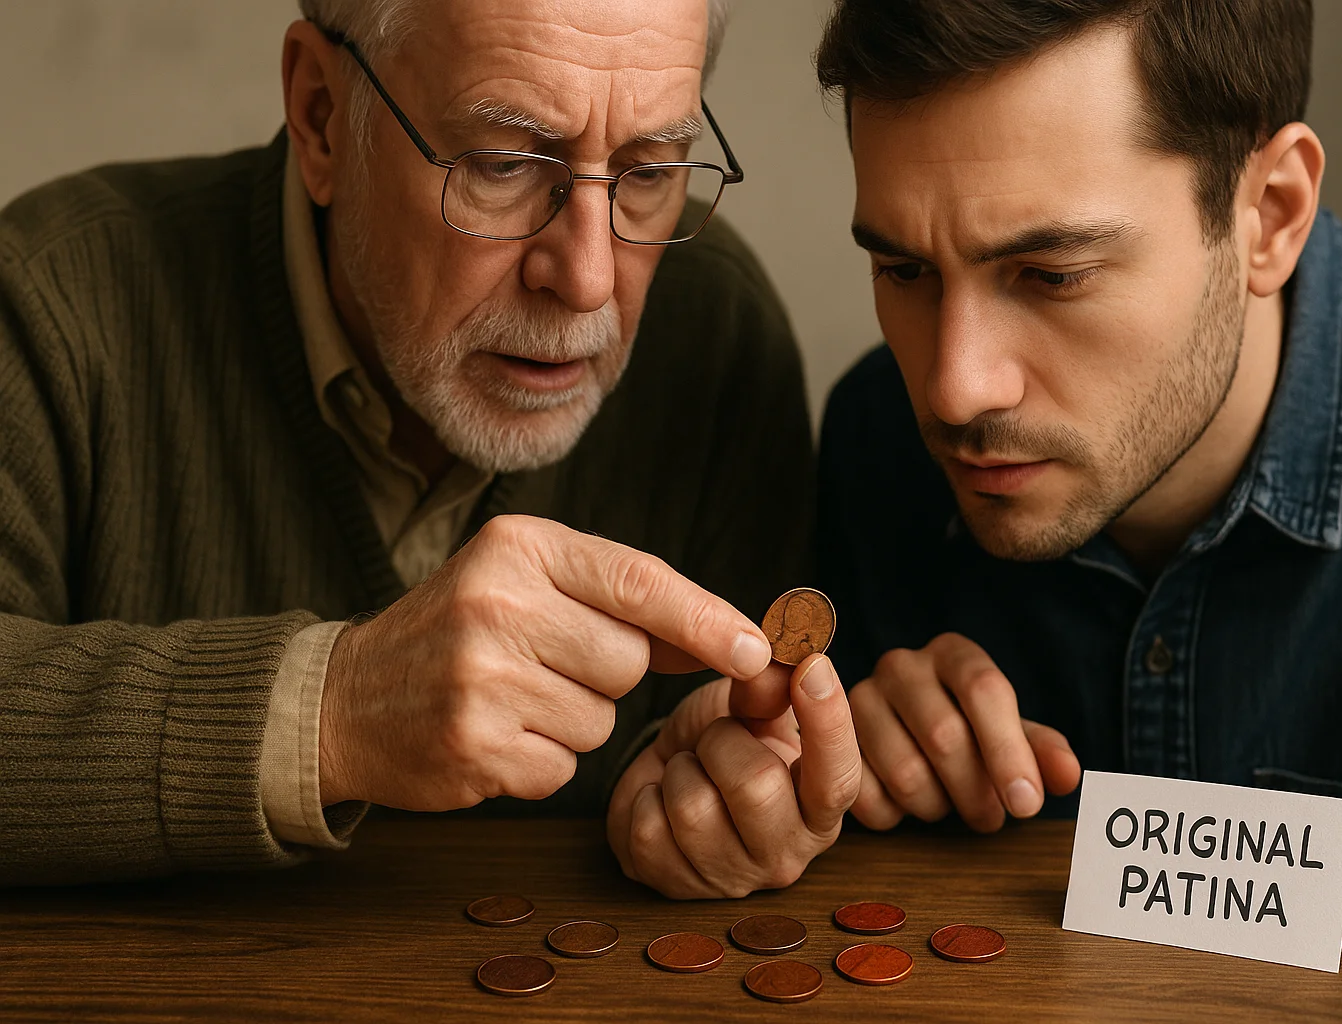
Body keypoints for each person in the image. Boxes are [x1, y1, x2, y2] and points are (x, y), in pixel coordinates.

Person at [0, 0, 861, 895]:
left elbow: (713, 742)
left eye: (648, 172)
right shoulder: (54, 302)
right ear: (322, 120)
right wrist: (332, 712)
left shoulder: (718, 337)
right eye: (502, 165)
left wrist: (697, 791)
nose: (588, 279)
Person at [813, 0, 1342, 833]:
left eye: (1051, 274)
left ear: (1269, 214)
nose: (954, 390)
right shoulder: (875, 443)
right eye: (903, 270)